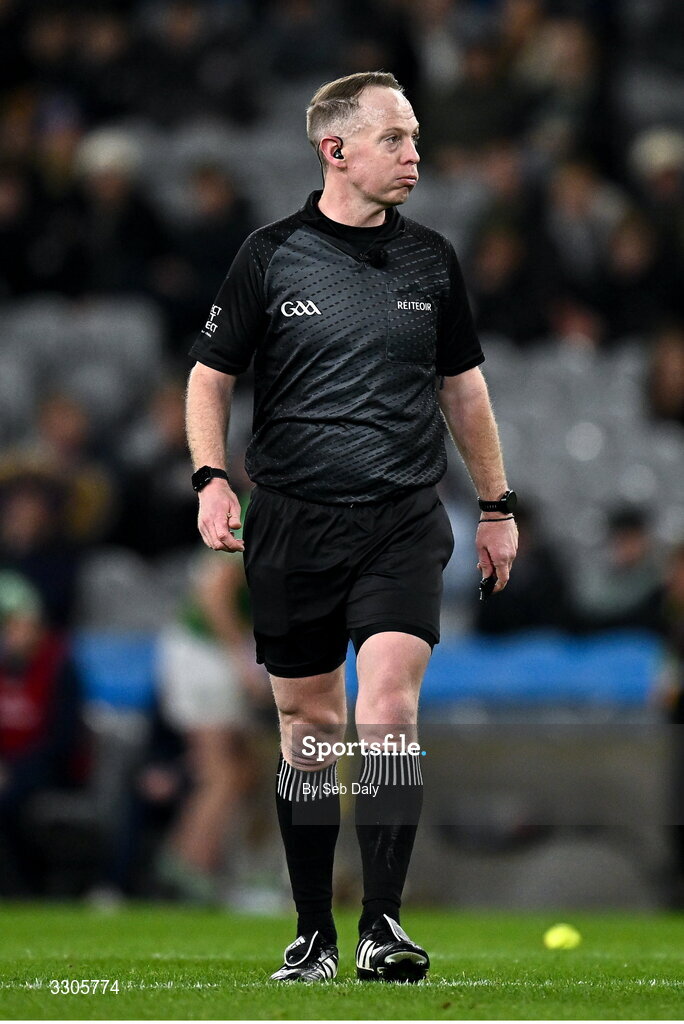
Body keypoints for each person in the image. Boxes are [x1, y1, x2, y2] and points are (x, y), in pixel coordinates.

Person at [185, 71, 518, 983]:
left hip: (402, 517)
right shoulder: (269, 255)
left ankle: (381, 925)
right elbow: (210, 376)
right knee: (309, 726)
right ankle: (312, 932)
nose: (415, 154)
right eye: (395, 138)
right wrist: (211, 479)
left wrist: (496, 505)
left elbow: (463, 389)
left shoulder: (432, 260)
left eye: (415, 137)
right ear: (336, 150)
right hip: (292, 520)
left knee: (390, 710)